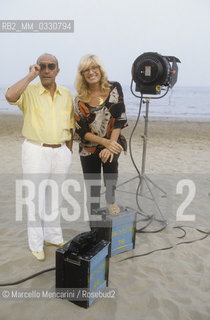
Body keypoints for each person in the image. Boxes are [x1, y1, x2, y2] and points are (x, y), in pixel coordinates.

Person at [5, 53, 75, 261]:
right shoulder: (29, 91)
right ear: (37, 68)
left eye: (50, 66)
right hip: (35, 150)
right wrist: (30, 76)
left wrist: (68, 151)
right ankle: (36, 244)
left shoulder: (66, 93)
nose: (46, 70)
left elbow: (71, 124)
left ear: (57, 70)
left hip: (61, 151)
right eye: (41, 66)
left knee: (55, 196)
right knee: (35, 198)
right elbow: (9, 96)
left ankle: (53, 236)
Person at [74, 54, 127, 221]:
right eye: (86, 70)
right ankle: (95, 224)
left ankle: (111, 200)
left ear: (100, 69)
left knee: (111, 161)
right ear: (82, 75)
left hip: (113, 139)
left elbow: (120, 119)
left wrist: (109, 145)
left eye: (94, 68)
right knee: (93, 189)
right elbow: (81, 132)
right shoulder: (79, 100)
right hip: (88, 146)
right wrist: (103, 142)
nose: (91, 72)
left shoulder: (114, 88)